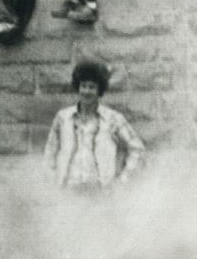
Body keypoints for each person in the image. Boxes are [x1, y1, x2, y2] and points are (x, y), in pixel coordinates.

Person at [44, 58, 145, 191]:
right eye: (83, 86)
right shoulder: (63, 117)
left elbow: (137, 149)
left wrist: (122, 182)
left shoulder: (113, 119)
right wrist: (53, 184)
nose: (86, 91)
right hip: (67, 195)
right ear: (78, 87)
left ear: (99, 91)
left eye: (92, 87)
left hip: (101, 196)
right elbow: (50, 153)